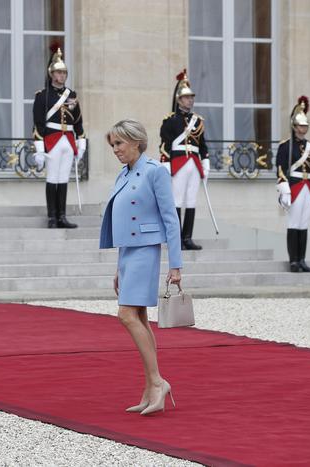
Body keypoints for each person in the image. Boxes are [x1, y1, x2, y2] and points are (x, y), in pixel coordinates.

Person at [100, 119, 182, 416]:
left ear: (136, 142)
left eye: (119, 143)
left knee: (126, 315)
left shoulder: (155, 171)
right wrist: (118, 267)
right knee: (140, 317)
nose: (115, 149)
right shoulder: (124, 174)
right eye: (113, 144)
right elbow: (123, 222)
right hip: (128, 253)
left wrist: (176, 264)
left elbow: (170, 218)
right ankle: (151, 387)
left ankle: (158, 382)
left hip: (146, 251)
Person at [32, 44, 86, 229]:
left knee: (63, 178)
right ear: (51, 74)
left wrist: (81, 144)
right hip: (52, 140)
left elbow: (78, 121)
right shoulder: (42, 96)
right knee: (52, 178)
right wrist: (40, 149)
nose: (62, 75)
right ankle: (52, 217)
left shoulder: (72, 95)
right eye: (58, 72)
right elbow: (38, 124)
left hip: (68, 141)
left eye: (64, 72)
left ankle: (62, 216)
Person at [159, 69, 210, 250]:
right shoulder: (170, 121)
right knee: (177, 201)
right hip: (178, 163)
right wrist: (166, 164)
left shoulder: (198, 121)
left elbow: (202, 145)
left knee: (191, 201)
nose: (190, 100)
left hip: (194, 164)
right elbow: (165, 144)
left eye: (191, 97)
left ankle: (187, 238)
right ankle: (176, 239)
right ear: (179, 100)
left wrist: (205, 163)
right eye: (187, 97)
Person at [276, 96, 310, 273]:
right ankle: (293, 261)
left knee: (304, 224)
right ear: (294, 127)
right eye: (301, 126)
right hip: (294, 186)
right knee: (294, 222)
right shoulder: (285, 146)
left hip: (308, 187)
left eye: (305, 126)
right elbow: (280, 169)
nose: (304, 129)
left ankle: (302, 260)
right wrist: (285, 190)